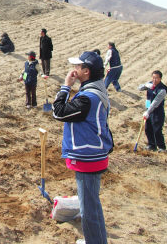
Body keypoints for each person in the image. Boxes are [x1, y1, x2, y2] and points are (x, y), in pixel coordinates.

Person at [51, 51, 112, 244]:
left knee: (89, 210)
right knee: (91, 205)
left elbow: (58, 112)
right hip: (94, 154)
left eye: (77, 67)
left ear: (86, 71)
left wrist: (66, 86)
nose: (74, 69)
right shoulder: (96, 88)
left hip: (88, 157)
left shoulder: (87, 97)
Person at [138, 70, 167, 152]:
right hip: (148, 109)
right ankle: (152, 145)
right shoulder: (150, 84)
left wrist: (148, 112)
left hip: (157, 112)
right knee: (148, 128)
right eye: (153, 78)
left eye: (157, 78)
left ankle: (162, 147)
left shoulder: (162, 90)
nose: (154, 80)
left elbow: (156, 102)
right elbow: (139, 88)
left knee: (157, 130)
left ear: (160, 79)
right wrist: (145, 85)